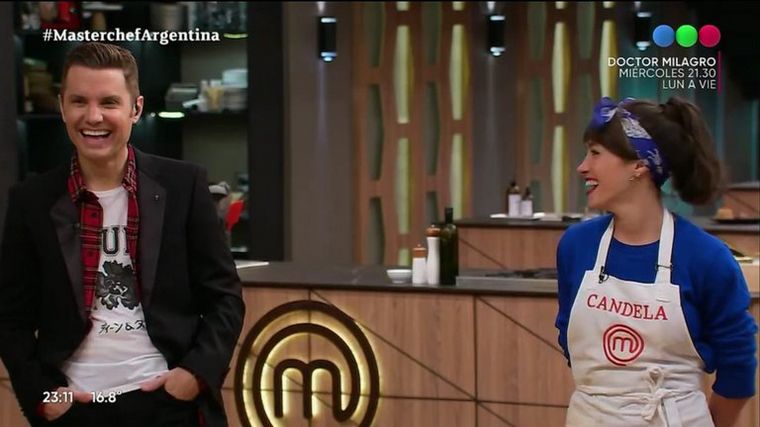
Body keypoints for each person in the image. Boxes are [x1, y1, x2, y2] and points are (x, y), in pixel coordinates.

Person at [0, 42, 245, 427]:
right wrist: (43, 397)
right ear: (62, 107)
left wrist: (193, 376)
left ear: (136, 108)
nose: (93, 116)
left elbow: (224, 297)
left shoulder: (184, 186)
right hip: (75, 409)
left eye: (109, 102)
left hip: (169, 404)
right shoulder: (31, 201)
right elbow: (10, 318)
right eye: (79, 101)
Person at [555, 96, 757, 427]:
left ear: (640, 165)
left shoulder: (706, 258)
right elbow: (569, 342)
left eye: (595, 153)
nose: (582, 167)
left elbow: (738, 373)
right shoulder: (576, 246)